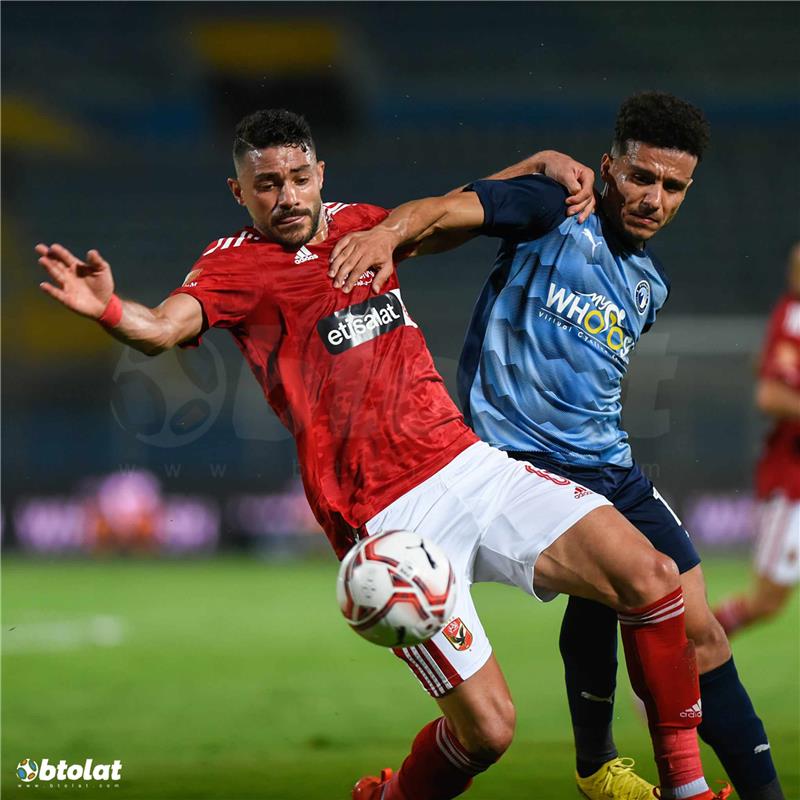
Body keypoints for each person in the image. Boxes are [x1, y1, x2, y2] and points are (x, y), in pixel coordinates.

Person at [36, 109, 727, 800]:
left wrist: (539, 161)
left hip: (469, 464)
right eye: (267, 184)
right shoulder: (233, 266)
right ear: (238, 191)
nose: (287, 197)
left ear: (320, 174)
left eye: (298, 178)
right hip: (388, 521)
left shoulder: (363, 226)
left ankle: (686, 790)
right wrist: (110, 310)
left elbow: (455, 208)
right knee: (487, 733)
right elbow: (162, 327)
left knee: (652, 576)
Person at [330, 92, 784, 800]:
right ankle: (607, 765)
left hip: (611, 465)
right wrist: (390, 233)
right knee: (628, 584)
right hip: (520, 462)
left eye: (673, 187)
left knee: (701, 635)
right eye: (641, 177)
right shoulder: (553, 210)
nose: (654, 199)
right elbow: (446, 213)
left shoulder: (649, 286)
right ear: (608, 168)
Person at [715, 243, 800, 637]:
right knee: (766, 602)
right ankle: (687, 649)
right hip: (792, 481)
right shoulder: (793, 316)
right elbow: (771, 395)